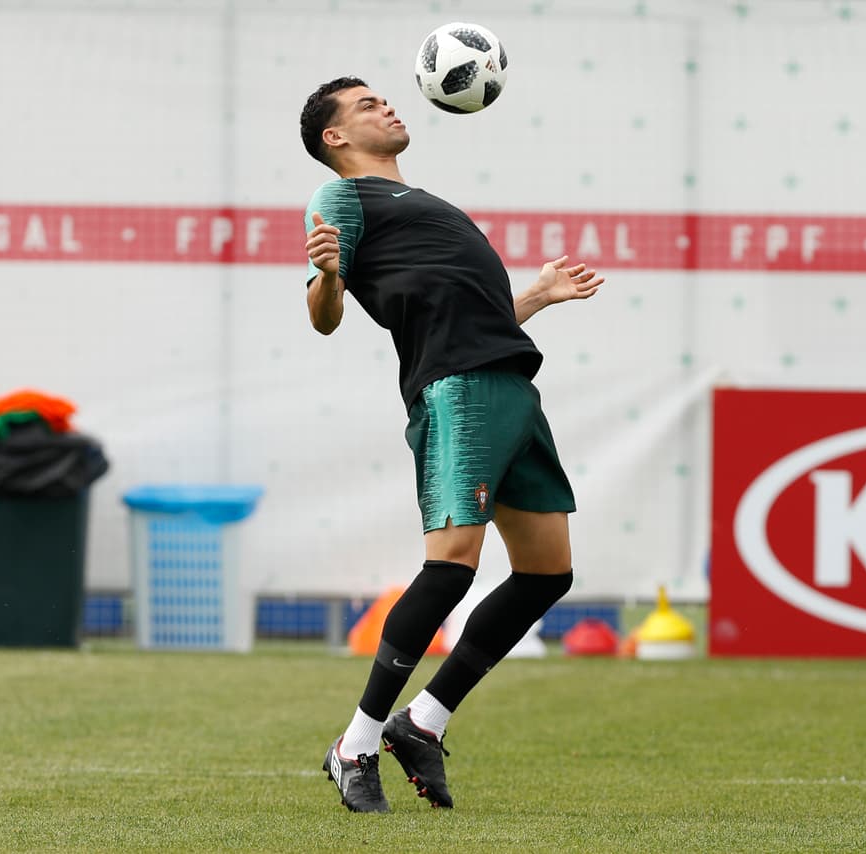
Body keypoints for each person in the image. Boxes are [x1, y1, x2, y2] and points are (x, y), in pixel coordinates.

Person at [298, 77, 604, 813]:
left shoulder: (425, 202)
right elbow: (324, 316)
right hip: (459, 392)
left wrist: (533, 297)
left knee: (545, 573)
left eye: (383, 98)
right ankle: (355, 744)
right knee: (450, 568)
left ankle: (423, 723)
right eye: (366, 105)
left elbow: (466, 314)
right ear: (334, 139)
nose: (388, 106)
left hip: (508, 387)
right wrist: (329, 277)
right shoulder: (342, 199)